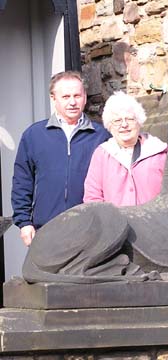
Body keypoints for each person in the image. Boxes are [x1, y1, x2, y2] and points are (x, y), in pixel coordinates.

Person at [11, 70, 110, 246]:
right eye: (65, 96)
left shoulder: (101, 136)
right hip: (45, 228)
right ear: (53, 98)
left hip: (90, 228)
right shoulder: (34, 135)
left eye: (77, 95)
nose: (72, 102)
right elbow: (22, 181)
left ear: (85, 97)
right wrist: (24, 222)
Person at [83, 91, 168, 206]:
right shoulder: (102, 155)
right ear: (110, 126)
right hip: (115, 223)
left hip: (153, 222)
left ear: (139, 122)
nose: (124, 125)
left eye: (129, 119)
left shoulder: (159, 152)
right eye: (117, 121)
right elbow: (92, 197)